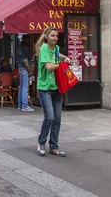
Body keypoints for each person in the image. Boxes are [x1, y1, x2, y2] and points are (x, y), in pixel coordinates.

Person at [35, 27, 70, 157]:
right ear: (46, 36)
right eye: (52, 36)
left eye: (56, 36)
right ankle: (41, 143)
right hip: (45, 88)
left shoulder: (55, 48)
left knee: (57, 119)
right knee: (49, 117)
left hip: (56, 87)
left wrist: (65, 58)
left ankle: (54, 147)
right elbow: (49, 67)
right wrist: (62, 66)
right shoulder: (44, 48)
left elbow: (57, 55)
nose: (55, 38)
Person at [16, 34, 34, 112]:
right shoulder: (25, 47)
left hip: (20, 67)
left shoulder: (19, 46)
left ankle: (20, 105)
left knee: (22, 87)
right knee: (25, 87)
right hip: (24, 68)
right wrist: (29, 69)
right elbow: (25, 59)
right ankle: (24, 105)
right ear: (27, 39)